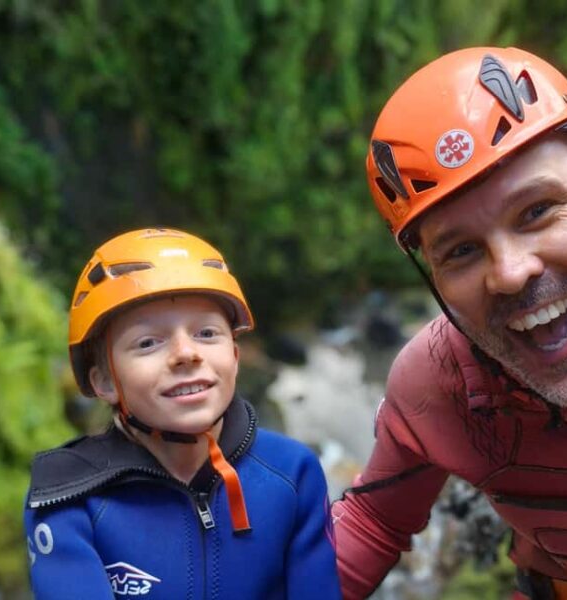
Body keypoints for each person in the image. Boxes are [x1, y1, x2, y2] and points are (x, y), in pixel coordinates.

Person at [331, 46, 567, 600]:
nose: (511, 274)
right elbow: (373, 521)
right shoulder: (440, 383)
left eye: (538, 210)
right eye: (462, 251)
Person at [24, 228, 340, 599]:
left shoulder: (292, 473)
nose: (186, 354)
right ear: (105, 382)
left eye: (206, 333)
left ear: (235, 358)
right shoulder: (68, 497)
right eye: (147, 343)